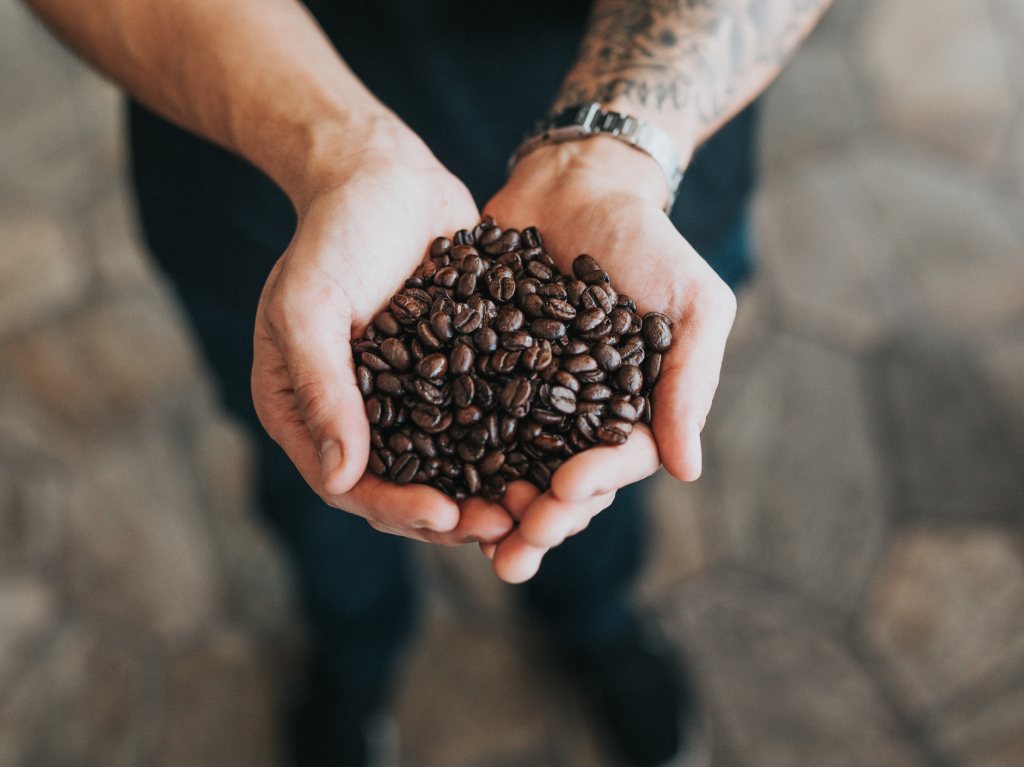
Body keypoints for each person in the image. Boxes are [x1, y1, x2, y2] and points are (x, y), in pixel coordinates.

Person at [28, 1, 832, 764]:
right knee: (323, 467)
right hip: (263, 133)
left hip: (641, 158)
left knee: (599, 484)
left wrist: (615, 153)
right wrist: (337, 153)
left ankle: (597, 625)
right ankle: (352, 655)